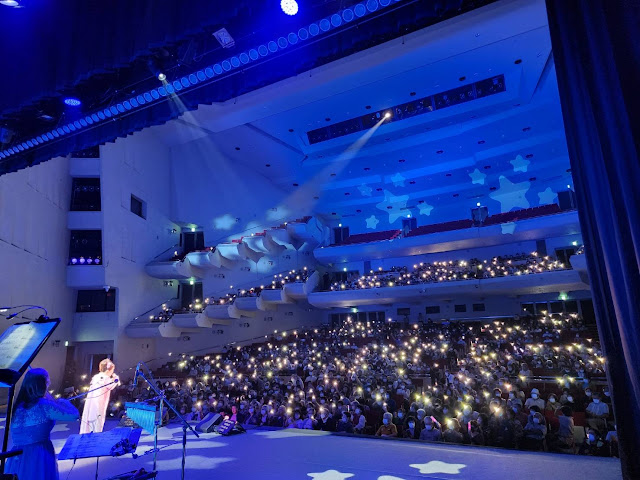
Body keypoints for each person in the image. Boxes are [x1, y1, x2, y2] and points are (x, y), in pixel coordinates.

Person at [5, 368, 79, 480]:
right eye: (47, 383)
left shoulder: (17, 407)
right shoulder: (44, 406)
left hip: (16, 455)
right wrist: (64, 402)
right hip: (38, 454)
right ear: (42, 384)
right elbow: (74, 415)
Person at [80, 359, 119, 434]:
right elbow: (111, 386)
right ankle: (95, 438)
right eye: (112, 370)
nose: (112, 372)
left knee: (91, 420)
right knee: (97, 422)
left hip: (92, 403)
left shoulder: (96, 376)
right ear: (108, 369)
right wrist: (116, 378)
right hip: (98, 403)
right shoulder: (105, 377)